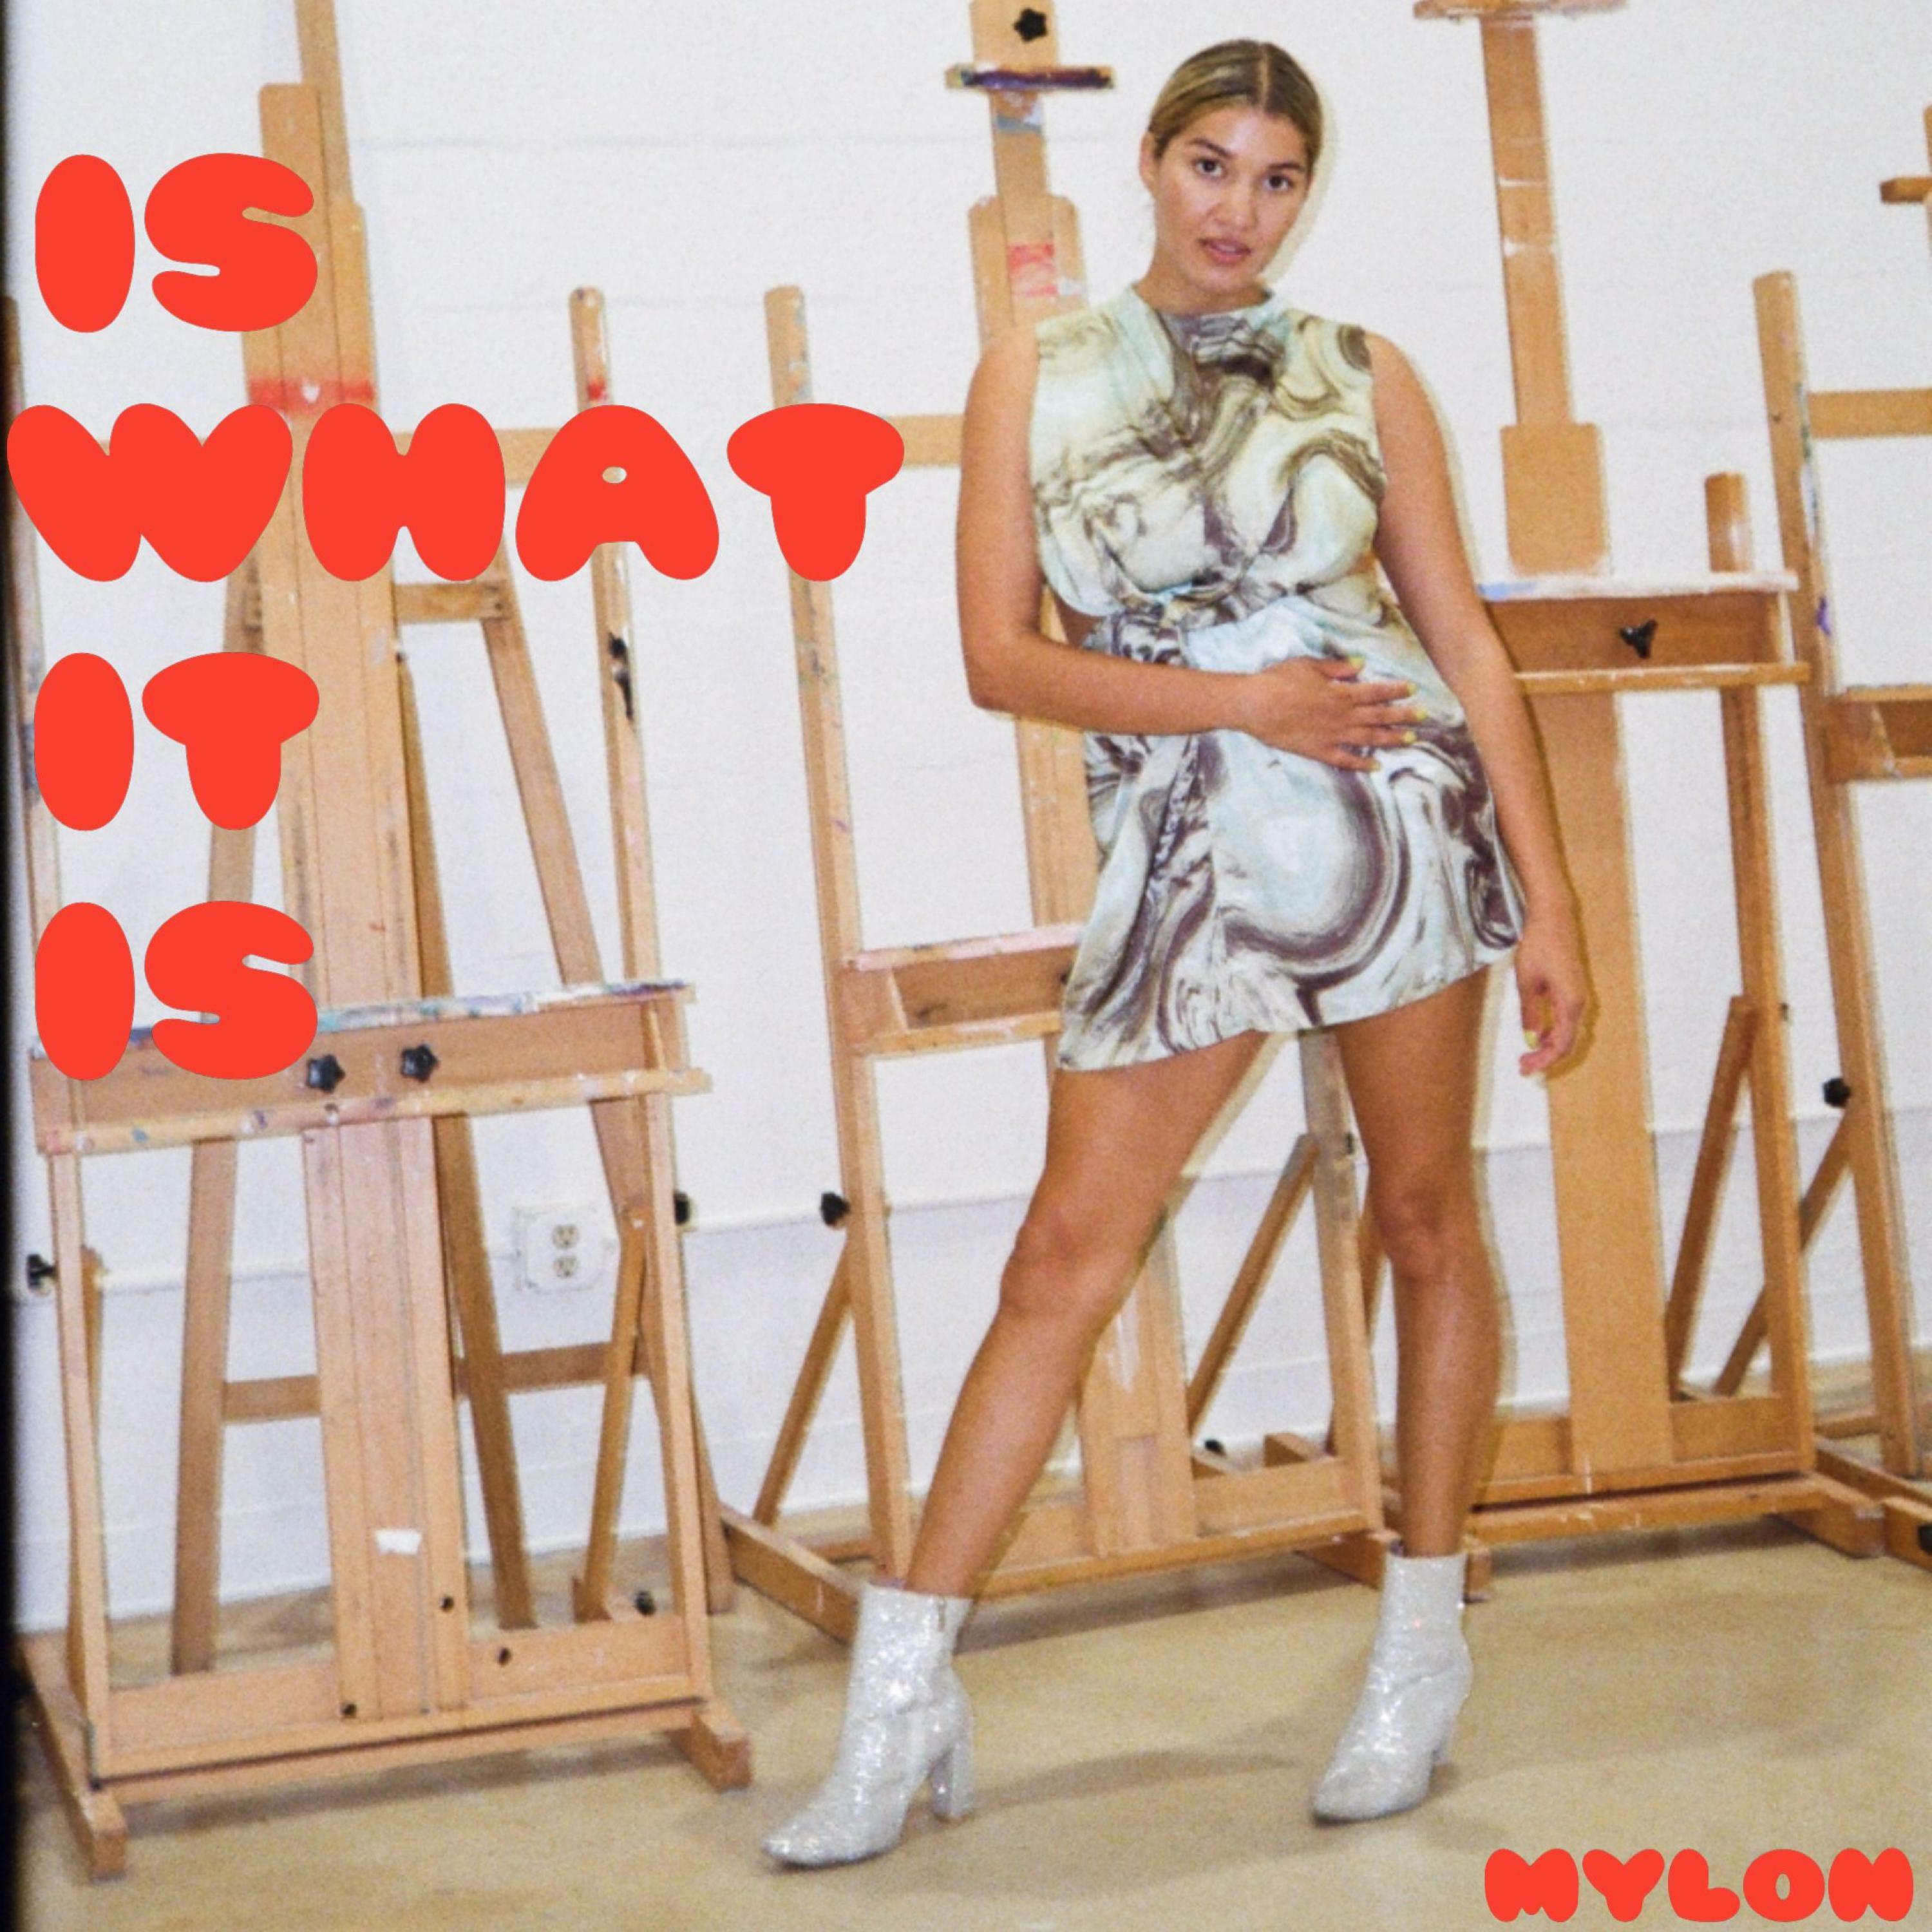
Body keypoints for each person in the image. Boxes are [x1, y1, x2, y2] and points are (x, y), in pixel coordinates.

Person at [764, 38, 1587, 1868]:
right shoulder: (1038, 372)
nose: (1241, 209)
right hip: (1192, 850)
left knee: (1425, 1222)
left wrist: (1549, 899)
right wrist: (1247, 704)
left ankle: (1421, 1651)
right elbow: (1001, 659)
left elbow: (1462, 636)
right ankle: (902, 1699)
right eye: (1213, 164)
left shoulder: (1364, 370)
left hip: (1403, 831)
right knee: (1063, 1256)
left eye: (1279, 177)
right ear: (1150, 164)